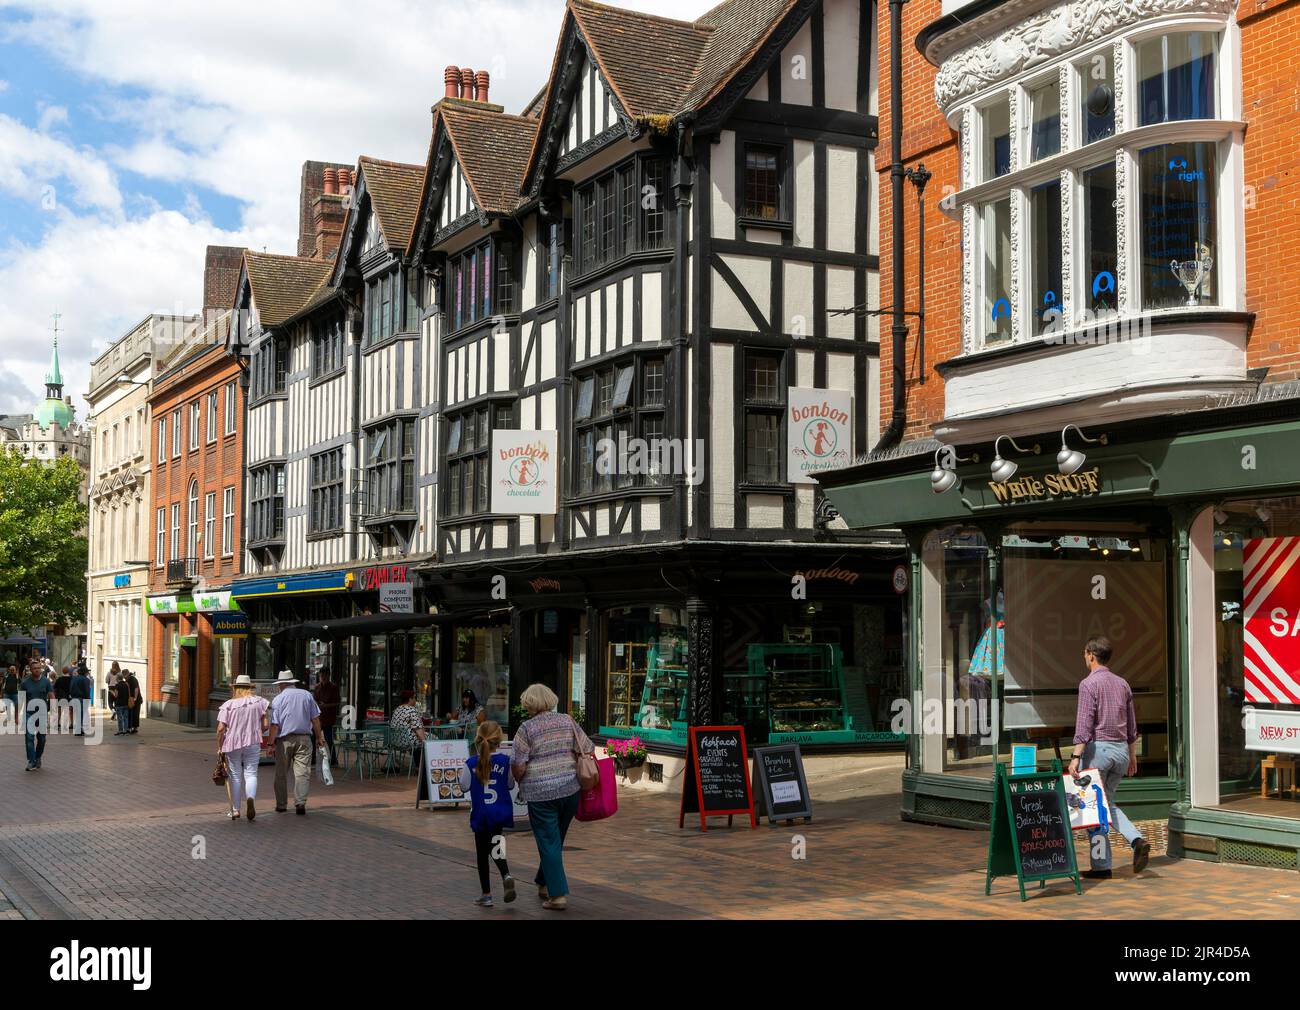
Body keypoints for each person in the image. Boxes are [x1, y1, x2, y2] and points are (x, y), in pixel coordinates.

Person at [1068, 636, 1151, 880]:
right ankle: (1135, 841)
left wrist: (1075, 757)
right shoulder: (1122, 684)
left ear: (1091, 655)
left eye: (1085, 654)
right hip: (1120, 753)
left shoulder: (1088, 684)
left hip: (1098, 753)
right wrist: (1132, 754)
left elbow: (1084, 725)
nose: (1084, 657)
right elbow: (1132, 724)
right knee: (1106, 804)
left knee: (1094, 808)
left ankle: (1102, 866)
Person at [511, 682, 594, 911]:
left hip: (540, 793)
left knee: (548, 841)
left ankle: (557, 896)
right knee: (554, 840)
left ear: (529, 703)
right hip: (570, 789)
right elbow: (588, 747)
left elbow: (518, 766)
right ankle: (543, 881)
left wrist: (519, 779)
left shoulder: (526, 729)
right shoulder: (567, 720)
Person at [459, 720, 516, 907]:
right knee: (496, 844)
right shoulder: (505, 762)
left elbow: (463, 786)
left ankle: (487, 894)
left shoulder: (471, 763)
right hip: (499, 812)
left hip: (480, 813)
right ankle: (506, 873)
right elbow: (509, 784)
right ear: (499, 741)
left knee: (482, 854)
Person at [267, 670, 326, 815]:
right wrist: (319, 738)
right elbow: (315, 719)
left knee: (281, 773)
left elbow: (275, 725)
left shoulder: (278, 699)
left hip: (285, 740)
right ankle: (300, 803)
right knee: (302, 773)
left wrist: (270, 744)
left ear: (282, 684)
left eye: (280, 684)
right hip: (305, 738)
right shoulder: (306, 695)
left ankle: (281, 805)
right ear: (292, 682)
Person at [216, 675, 271, 821]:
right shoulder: (259, 702)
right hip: (253, 741)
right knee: (251, 773)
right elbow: (265, 725)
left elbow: (221, 729)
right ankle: (251, 798)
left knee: (235, 775)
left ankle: (235, 810)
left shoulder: (228, 705)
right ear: (250, 688)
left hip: (232, 743)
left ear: (236, 688)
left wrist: (220, 746)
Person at [20, 662, 53, 770]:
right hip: (29, 713)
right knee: (29, 738)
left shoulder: (46, 681)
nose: (37, 670)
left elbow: (51, 695)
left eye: (39, 668)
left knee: (42, 739)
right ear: (30, 669)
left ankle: (38, 757)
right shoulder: (25, 683)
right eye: (35, 668)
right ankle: (32, 761)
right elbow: (21, 699)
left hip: (42, 714)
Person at [390, 689, 426, 770]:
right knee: (430, 738)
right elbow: (418, 729)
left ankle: (418, 766)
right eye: (414, 698)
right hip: (408, 741)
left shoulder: (397, 709)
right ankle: (425, 767)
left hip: (396, 741)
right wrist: (425, 741)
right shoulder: (411, 710)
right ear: (410, 699)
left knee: (419, 740)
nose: (415, 700)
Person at [313, 665, 341, 767]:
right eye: (321, 675)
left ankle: (333, 759)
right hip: (319, 718)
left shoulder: (333, 687)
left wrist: (326, 705)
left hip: (329, 717)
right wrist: (318, 704)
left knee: (329, 739)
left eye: (325, 675)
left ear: (328, 675)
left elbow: (337, 702)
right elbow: (314, 700)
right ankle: (313, 759)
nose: (323, 678)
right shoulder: (317, 687)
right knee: (313, 737)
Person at [69, 665, 92, 736]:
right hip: (82, 698)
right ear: (85, 672)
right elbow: (86, 690)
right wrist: (87, 698)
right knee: (80, 714)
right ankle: (78, 730)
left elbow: (71, 688)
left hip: (74, 698)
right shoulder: (86, 680)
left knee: (77, 714)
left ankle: (79, 729)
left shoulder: (74, 678)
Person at [53, 666, 72, 732]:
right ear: (68, 672)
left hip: (60, 696)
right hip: (69, 697)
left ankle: (57, 723)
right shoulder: (71, 679)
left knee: (59, 711)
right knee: (70, 710)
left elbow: (55, 687)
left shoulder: (59, 679)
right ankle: (70, 724)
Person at [125, 668, 141, 733]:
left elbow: (136, 689)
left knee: (135, 714)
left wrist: (135, 698)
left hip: (135, 700)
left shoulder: (133, 680)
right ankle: (130, 727)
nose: (124, 678)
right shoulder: (128, 680)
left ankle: (135, 728)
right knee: (130, 713)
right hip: (131, 699)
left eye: (125, 677)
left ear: (127, 675)